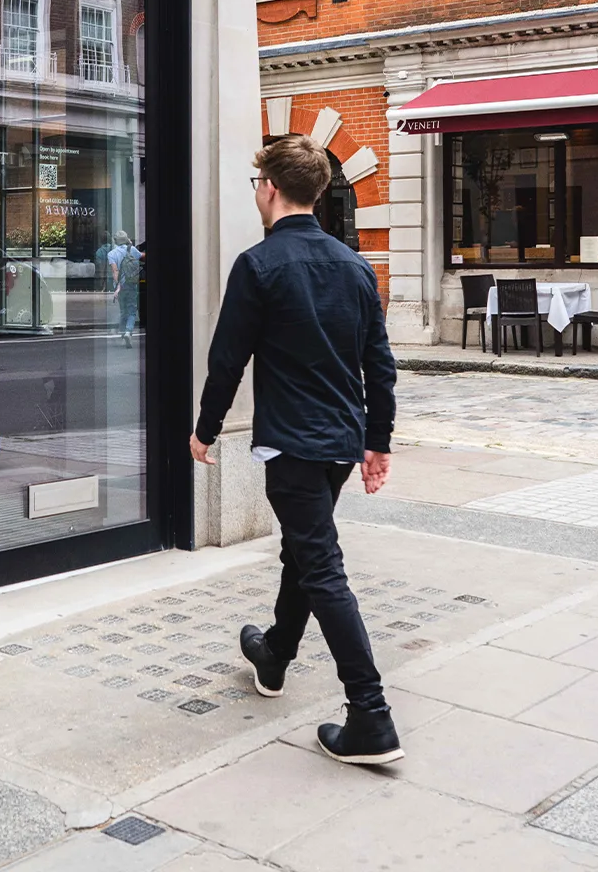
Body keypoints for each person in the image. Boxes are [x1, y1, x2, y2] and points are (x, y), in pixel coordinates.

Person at [189, 134, 402, 765]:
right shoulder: (355, 265)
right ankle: (275, 655)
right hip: (338, 443)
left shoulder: (258, 264)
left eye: (256, 183)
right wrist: (377, 442)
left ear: (271, 189)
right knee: (304, 554)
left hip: (293, 444)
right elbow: (379, 366)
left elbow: (227, 359)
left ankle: (371, 715)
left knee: (322, 567)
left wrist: (204, 428)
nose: (255, 193)